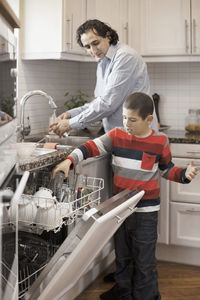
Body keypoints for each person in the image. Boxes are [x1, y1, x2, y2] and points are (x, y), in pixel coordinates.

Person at [52, 92, 198, 300]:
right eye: (123, 118)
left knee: (144, 260)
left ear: (149, 119)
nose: (126, 124)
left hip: (146, 213)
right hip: (120, 210)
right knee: (122, 256)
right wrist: (69, 161)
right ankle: (123, 294)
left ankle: (146, 297)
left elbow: (167, 170)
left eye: (132, 119)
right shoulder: (116, 136)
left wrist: (185, 175)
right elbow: (90, 147)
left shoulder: (160, 141)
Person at [49, 19, 158, 137]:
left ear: (108, 36)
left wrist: (71, 123)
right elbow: (99, 101)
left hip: (138, 137)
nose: (93, 51)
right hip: (119, 137)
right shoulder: (102, 61)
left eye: (96, 43)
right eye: (88, 47)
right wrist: (71, 114)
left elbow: (108, 103)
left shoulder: (125, 57)